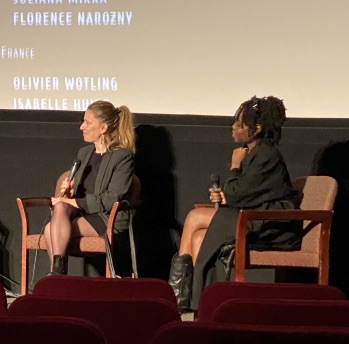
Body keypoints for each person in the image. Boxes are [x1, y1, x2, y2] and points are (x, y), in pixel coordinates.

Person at [168, 96, 301, 312]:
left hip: (271, 223)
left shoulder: (267, 154)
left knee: (195, 217)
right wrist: (226, 197)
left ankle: (178, 296)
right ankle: (201, 302)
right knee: (199, 236)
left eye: (239, 124)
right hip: (254, 216)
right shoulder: (255, 152)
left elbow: (238, 193)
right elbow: (245, 194)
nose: (233, 127)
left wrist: (234, 167)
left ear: (256, 128)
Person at [44, 100, 136, 275]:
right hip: (83, 213)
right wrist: (71, 192)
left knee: (51, 229)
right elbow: (80, 191)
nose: (81, 127)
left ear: (103, 128)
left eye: (87, 122)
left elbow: (112, 198)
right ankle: (58, 273)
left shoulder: (123, 157)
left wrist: (75, 201)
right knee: (60, 208)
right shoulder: (84, 153)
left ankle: (57, 276)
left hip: (107, 218)